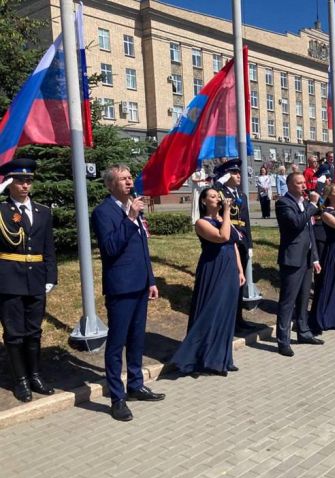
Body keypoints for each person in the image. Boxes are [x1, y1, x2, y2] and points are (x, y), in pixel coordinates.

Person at [91, 164, 164, 422]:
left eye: (130, 177)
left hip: (141, 285)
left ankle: (135, 385)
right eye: (123, 179)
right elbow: (110, 248)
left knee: (136, 339)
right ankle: (117, 397)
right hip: (120, 287)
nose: (129, 182)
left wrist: (151, 280)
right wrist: (131, 218)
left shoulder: (134, 206)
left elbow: (143, 247)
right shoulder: (103, 212)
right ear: (111, 184)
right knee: (117, 343)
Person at [171, 188, 245, 376]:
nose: (217, 198)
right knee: (212, 311)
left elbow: (234, 244)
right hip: (214, 269)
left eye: (218, 196)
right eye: (212, 196)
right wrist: (227, 212)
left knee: (227, 313)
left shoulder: (223, 220)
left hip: (230, 269)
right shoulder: (201, 223)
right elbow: (223, 237)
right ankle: (198, 357)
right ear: (203, 202)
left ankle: (222, 359)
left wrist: (240, 269)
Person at [0, 159, 57, 403]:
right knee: (14, 334)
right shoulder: (2, 210)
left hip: (36, 278)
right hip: (9, 279)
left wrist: (51, 276)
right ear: (10, 183)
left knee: (34, 331)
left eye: (28, 180)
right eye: (19, 180)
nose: (25, 185)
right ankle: (20, 380)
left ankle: (35, 375)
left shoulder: (42, 211)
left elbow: (49, 247)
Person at [275, 172, 324, 357]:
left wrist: (315, 257)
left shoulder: (304, 203)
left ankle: (303, 332)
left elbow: (310, 231)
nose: (304, 186)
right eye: (299, 183)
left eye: (304, 182)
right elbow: (296, 224)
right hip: (292, 258)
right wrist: (311, 205)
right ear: (289, 185)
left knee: (304, 298)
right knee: (288, 301)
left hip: (307, 258)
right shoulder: (283, 203)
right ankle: (283, 340)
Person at [213, 159, 254, 331]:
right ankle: (227, 320)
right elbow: (210, 197)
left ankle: (238, 318)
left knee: (239, 282)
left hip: (242, 242)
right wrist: (218, 183)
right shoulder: (220, 193)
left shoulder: (241, 195)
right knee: (227, 284)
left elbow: (246, 221)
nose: (238, 176)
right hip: (228, 241)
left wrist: (250, 244)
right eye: (234, 173)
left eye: (238, 173)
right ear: (226, 175)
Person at [309, 185, 335, 333]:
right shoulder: (326, 213)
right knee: (332, 282)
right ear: (329, 195)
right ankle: (327, 318)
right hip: (333, 249)